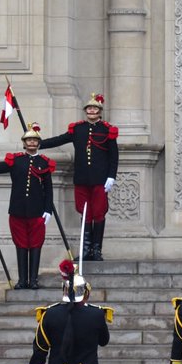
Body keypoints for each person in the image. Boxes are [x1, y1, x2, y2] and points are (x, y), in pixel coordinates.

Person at [40, 93, 119, 262]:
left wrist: (111, 176)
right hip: (82, 178)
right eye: (89, 108)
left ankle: (96, 250)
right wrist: (39, 143)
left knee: (98, 213)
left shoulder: (106, 130)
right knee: (85, 213)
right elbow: (59, 139)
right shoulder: (78, 129)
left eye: (94, 108)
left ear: (99, 111)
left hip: (99, 179)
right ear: (85, 111)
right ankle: (85, 249)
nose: (91, 111)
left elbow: (114, 156)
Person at [0, 122, 57, 294]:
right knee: (21, 244)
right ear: (24, 143)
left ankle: (33, 279)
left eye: (34, 140)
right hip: (17, 210)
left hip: (37, 211)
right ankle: (23, 279)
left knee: (36, 244)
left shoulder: (44, 163)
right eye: (28, 140)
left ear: (38, 143)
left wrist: (48, 209)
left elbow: (48, 188)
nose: (31, 143)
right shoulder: (16, 160)